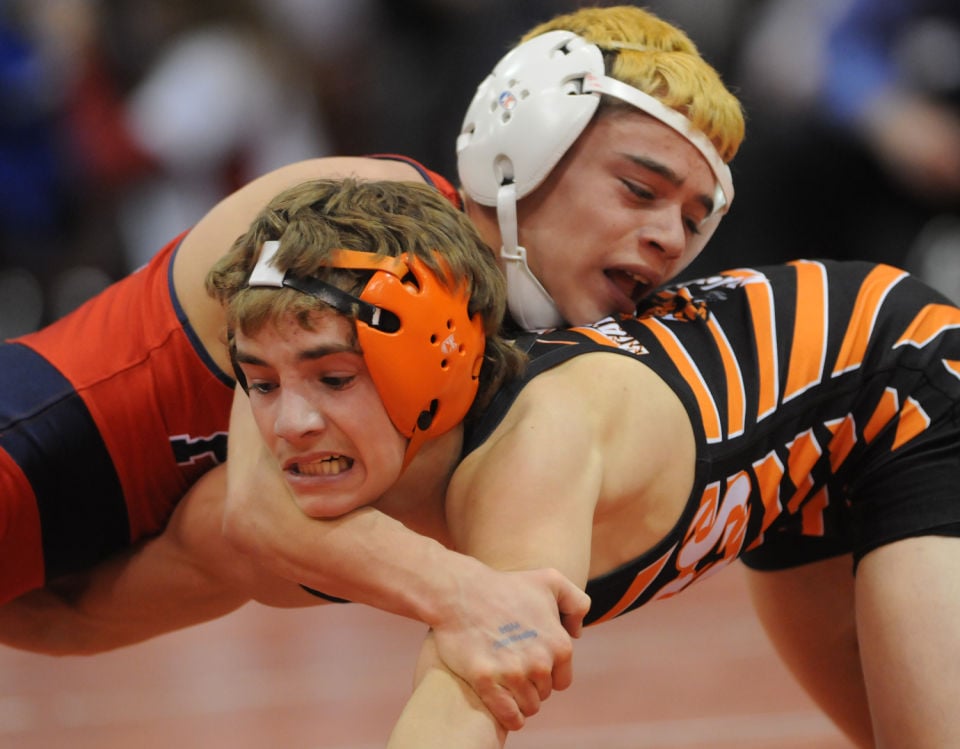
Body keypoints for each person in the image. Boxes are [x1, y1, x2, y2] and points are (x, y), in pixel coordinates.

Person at [8, 176, 959, 748]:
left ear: (432, 365)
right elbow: (71, 616)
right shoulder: (286, 507)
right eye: (259, 382)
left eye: (333, 376)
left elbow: (466, 703)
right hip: (788, 460)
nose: (290, 424)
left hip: (898, 379)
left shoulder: (535, 445)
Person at [0, 2, 743, 728]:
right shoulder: (373, 221)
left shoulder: (499, 366)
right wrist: (467, 593)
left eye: (692, 217)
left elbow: (91, 611)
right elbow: (258, 514)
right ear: (525, 143)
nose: (667, 240)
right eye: (639, 190)